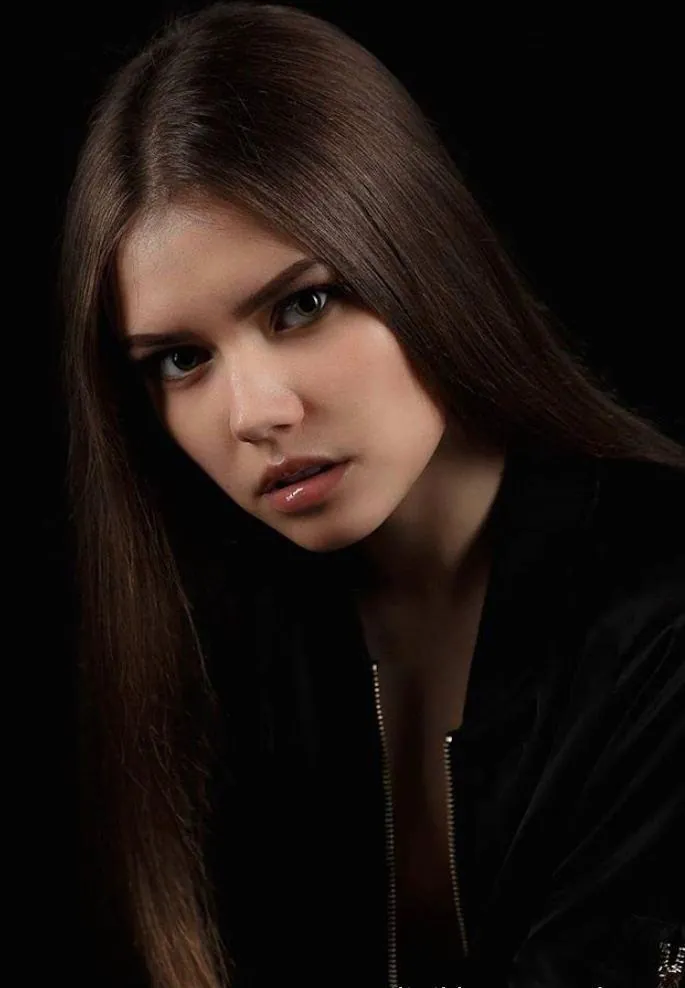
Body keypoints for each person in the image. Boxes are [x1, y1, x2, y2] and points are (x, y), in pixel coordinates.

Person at [59, 3, 685, 986]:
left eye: (302, 304)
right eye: (181, 359)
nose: (255, 413)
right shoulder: (207, 639)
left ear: (420, 257)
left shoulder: (661, 608)